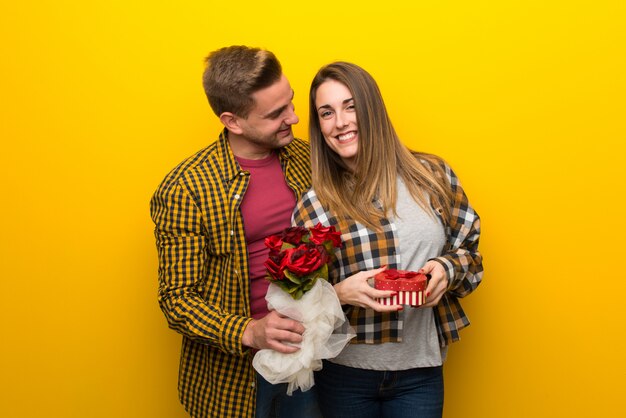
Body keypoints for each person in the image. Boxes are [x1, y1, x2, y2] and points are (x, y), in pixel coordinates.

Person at [292, 62, 483, 418]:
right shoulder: (315, 204)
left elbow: (470, 253)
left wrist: (447, 268)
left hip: (420, 372)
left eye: (351, 106)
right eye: (327, 112)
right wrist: (339, 293)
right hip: (344, 375)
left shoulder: (432, 176)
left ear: (372, 110)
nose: (341, 122)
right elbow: (296, 300)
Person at [150, 46, 320, 418]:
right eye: (276, 113)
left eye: (290, 102)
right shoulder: (186, 187)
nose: (293, 117)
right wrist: (249, 332)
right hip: (236, 383)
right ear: (233, 121)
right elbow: (177, 299)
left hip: (314, 362)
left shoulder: (310, 160)